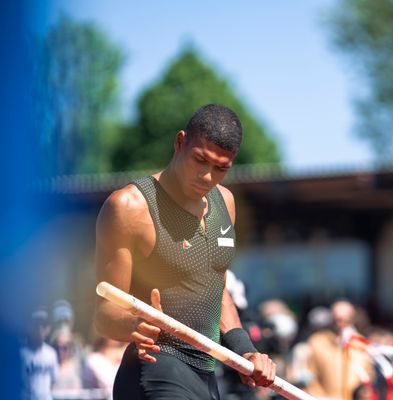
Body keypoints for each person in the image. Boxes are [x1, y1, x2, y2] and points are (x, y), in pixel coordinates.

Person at [94, 104, 277, 399]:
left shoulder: (225, 202)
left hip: (206, 377)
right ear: (180, 142)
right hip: (154, 371)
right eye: (200, 160)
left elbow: (214, 288)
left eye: (221, 168)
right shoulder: (129, 207)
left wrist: (247, 351)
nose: (207, 176)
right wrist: (134, 323)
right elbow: (103, 313)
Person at [20, 309, 59, 400]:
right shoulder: (21, 353)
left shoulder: (51, 353)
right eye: (36, 325)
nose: (40, 329)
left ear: (48, 329)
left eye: (43, 325)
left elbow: (53, 380)